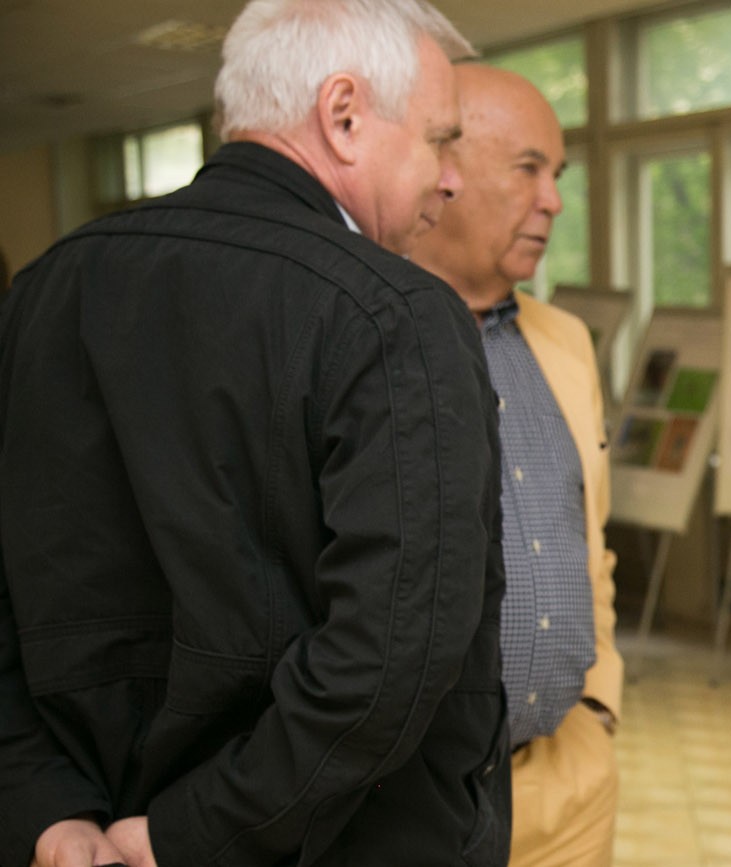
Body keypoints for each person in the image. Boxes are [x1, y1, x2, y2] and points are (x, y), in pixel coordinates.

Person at [0, 2, 511, 866]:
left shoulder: (44, 291)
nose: (451, 179)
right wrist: (189, 833)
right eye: (439, 140)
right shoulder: (392, 316)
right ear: (343, 116)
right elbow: (392, 651)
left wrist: (45, 808)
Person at [410, 64, 621, 867]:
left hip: (567, 786)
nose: (554, 200)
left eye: (557, 174)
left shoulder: (565, 341)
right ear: (442, 170)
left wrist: (600, 706)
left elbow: (591, 543)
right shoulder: (361, 339)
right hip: (417, 801)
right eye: (528, 168)